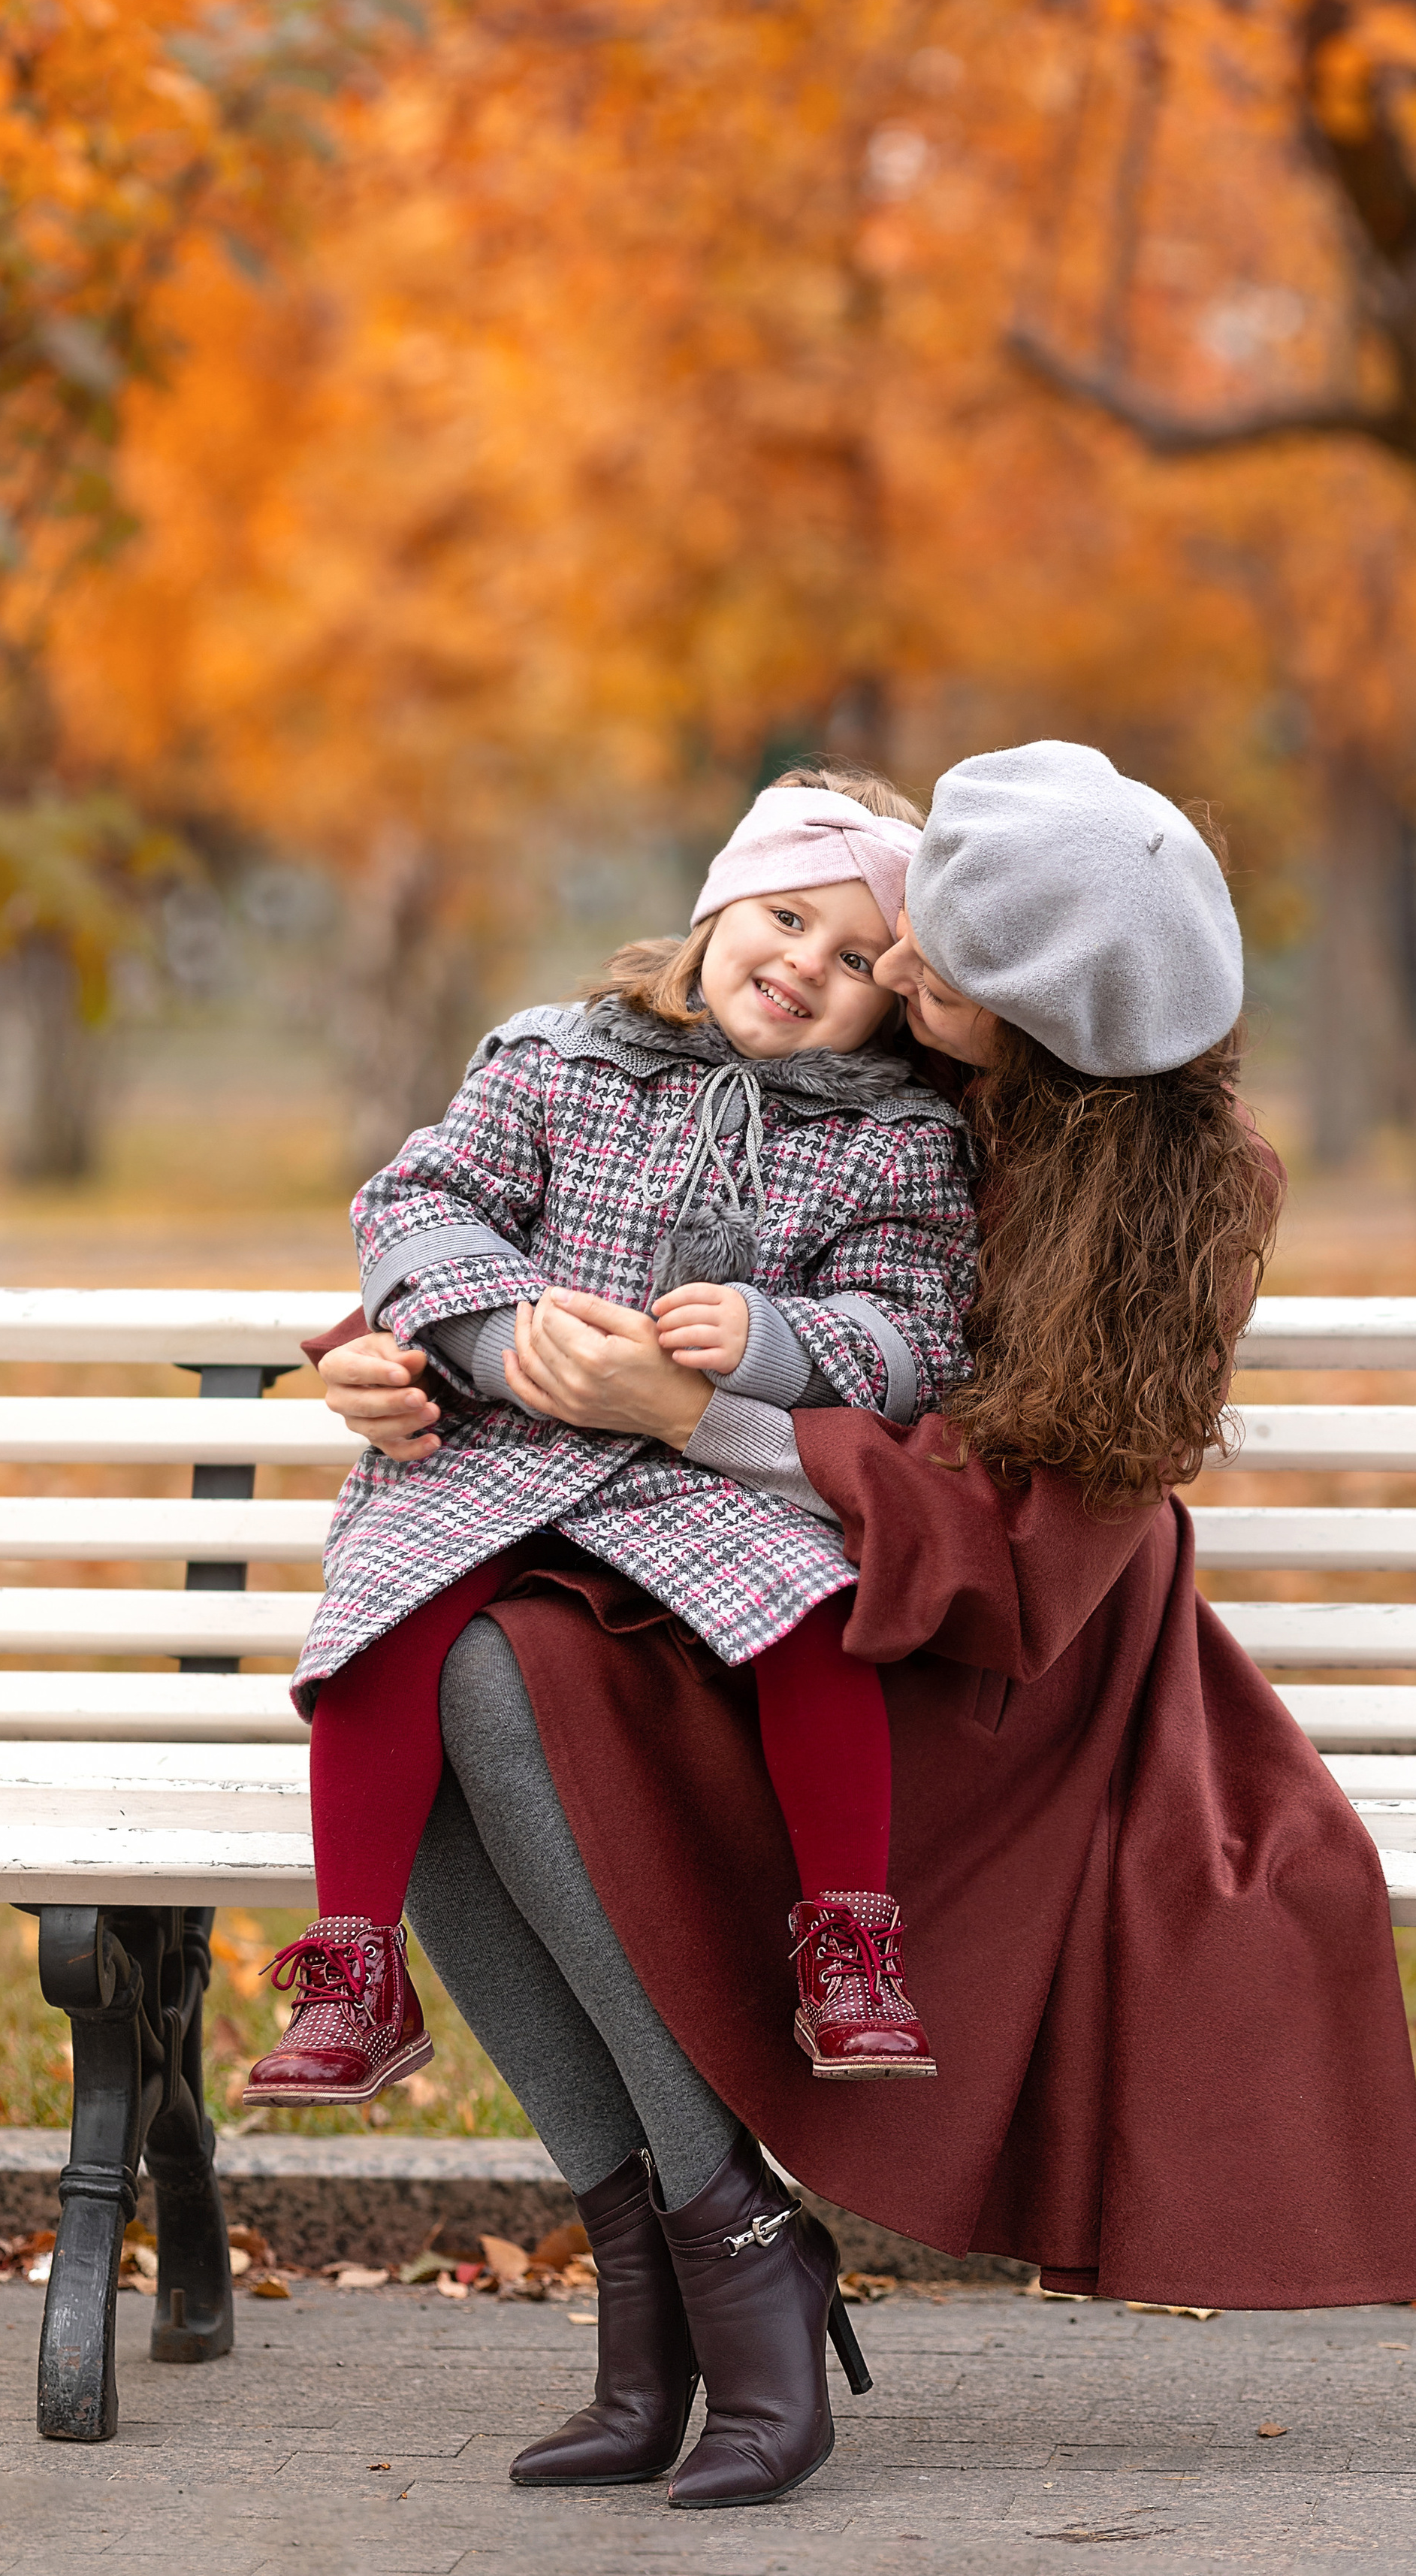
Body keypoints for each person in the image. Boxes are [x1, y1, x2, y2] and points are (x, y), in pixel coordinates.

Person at [306, 741, 1416, 2514]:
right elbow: (600, 1200)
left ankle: (727, 2251)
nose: (890, 958)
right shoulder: (864, 1031)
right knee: (447, 1660)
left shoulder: (1168, 1204)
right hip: (715, 1556)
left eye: (933, 964)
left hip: (964, 1658)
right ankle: (673, 2273)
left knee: (502, 1681)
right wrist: (400, 1355)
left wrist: (694, 1416)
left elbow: (1024, 1551)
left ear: (1039, 1027)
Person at [245, 766, 978, 2121]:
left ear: (895, 998)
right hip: (500, 1440)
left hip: (705, 1468)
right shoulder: (558, 1058)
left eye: (856, 958)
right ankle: (354, 1970)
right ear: (720, 907)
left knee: (815, 1615)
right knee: (382, 1611)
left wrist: (770, 1336)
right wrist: (500, 1338)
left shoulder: (897, 1142)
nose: (806, 965)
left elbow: (917, 1335)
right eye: (787, 918)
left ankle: (850, 1943)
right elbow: (419, 1205)